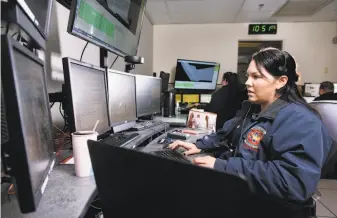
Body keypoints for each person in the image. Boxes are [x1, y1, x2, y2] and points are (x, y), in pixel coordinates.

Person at [169, 48, 332, 216]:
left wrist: (222, 166)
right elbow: (227, 133)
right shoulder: (253, 109)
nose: (247, 82)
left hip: (265, 207)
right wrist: (199, 145)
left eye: (256, 76)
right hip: (243, 193)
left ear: (281, 81)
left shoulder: (301, 120)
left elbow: (294, 182)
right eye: (248, 76)